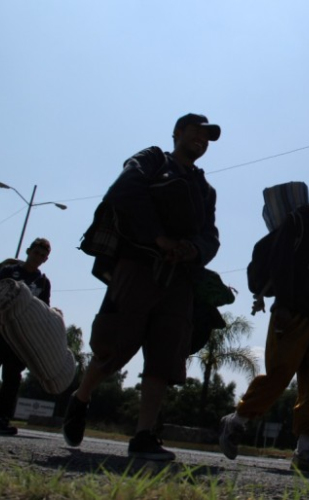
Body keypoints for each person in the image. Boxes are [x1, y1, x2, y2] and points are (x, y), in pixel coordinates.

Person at [61, 113, 221, 461]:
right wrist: (157, 237)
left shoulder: (205, 190)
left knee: (164, 356)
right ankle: (81, 398)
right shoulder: (151, 160)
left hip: (179, 278)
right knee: (115, 345)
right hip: (138, 266)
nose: (201, 139)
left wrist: (192, 249)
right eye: (196, 131)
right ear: (177, 132)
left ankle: (144, 436)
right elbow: (123, 191)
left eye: (207, 136)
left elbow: (211, 237)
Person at [219, 176, 309, 473]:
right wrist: (281, 303)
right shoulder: (298, 222)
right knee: (279, 375)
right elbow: (281, 262)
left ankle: (305, 451)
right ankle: (237, 420)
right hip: (291, 314)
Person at [0, 238, 52, 435]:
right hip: (1, 329)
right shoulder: (9, 272)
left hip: (19, 338)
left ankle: (2, 418)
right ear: (28, 251)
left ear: (45, 259)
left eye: (42, 255)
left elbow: (43, 310)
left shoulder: (43, 282)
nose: (37, 257)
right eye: (35, 252)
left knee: (12, 378)